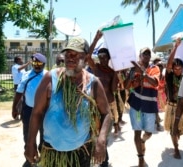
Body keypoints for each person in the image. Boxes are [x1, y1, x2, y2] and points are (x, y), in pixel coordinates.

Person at [24, 37, 112, 167]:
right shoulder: (50, 78)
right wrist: (30, 143)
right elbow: (36, 113)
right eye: (68, 54)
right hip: (52, 151)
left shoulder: (93, 83)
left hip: (82, 152)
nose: (70, 58)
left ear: (86, 58)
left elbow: (107, 114)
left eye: (76, 54)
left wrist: (102, 139)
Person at [124, 47, 160, 167]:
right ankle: (140, 158)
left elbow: (155, 83)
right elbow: (126, 86)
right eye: (144, 54)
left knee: (149, 133)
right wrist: (131, 74)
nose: (146, 56)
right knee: (137, 133)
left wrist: (142, 72)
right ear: (139, 56)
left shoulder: (154, 68)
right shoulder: (134, 69)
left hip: (149, 107)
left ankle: (143, 141)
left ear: (150, 57)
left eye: (148, 54)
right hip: (136, 106)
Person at [12, 53, 47, 167]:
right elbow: (19, 93)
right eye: (34, 63)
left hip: (44, 112)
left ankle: (43, 159)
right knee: (28, 135)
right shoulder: (26, 75)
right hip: (28, 111)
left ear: (44, 64)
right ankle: (29, 158)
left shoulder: (48, 76)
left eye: (39, 63)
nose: (36, 65)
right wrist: (14, 108)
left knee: (45, 136)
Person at [87, 31, 120, 136]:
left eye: (104, 56)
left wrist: (116, 74)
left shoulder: (112, 72)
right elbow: (88, 57)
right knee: (95, 130)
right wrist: (96, 39)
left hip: (109, 104)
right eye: (100, 56)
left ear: (108, 58)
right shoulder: (96, 68)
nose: (102, 58)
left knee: (105, 132)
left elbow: (114, 90)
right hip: (96, 103)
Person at [164, 38, 183, 159]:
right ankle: (176, 149)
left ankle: (178, 135)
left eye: (180, 68)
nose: (177, 71)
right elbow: (168, 63)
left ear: (182, 69)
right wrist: (176, 47)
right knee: (173, 129)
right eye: (175, 68)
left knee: (182, 130)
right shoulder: (169, 76)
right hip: (172, 107)